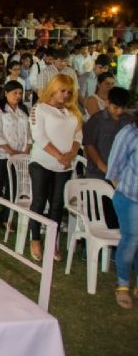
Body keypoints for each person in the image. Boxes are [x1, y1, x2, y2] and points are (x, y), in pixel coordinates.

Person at [28, 74, 82, 262]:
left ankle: (52, 242)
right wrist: (60, 156)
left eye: (69, 92)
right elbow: (39, 137)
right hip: (41, 163)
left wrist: (70, 155)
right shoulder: (39, 109)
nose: (65, 95)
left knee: (57, 205)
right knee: (39, 201)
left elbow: (78, 136)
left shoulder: (73, 112)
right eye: (62, 91)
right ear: (53, 89)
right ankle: (35, 239)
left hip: (64, 166)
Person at [0, 80, 31, 233]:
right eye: (14, 93)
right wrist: (10, 151)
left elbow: (28, 132)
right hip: (1, 154)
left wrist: (26, 149)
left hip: (19, 156)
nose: (17, 96)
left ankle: (5, 218)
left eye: (20, 93)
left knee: (14, 188)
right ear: (6, 93)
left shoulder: (23, 110)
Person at [106, 111, 138, 309]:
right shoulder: (129, 133)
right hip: (129, 198)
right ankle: (123, 285)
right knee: (131, 239)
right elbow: (113, 169)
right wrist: (124, 190)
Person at [84, 87, 134, 180]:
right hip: (98, 173)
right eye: (115, 107)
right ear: (107, 103)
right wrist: (105, 169)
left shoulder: (129, 120)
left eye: (123, 108)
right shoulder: (96, 120)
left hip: (122, 173)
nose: (119, 111)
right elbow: (89, 146)